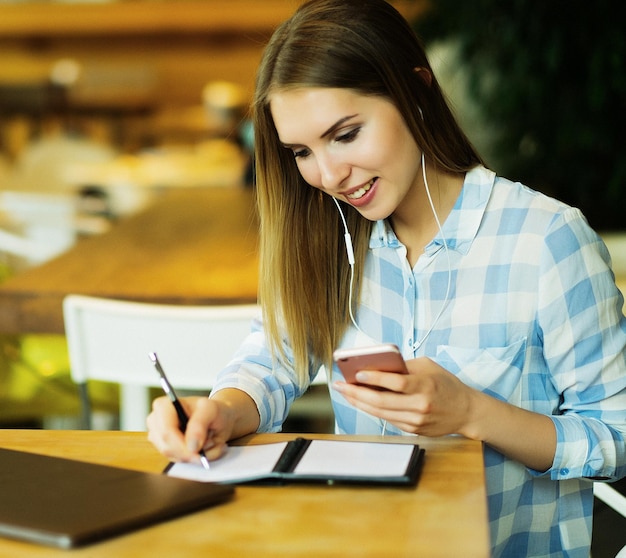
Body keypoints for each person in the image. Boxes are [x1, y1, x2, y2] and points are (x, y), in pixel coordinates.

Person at [147, 1, 626, 556]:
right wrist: (220, 412)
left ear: (416, 91)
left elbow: (617, 436)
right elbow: (273, 360)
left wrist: (473, 412)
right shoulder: (328, 237)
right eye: (302, 151)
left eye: (346, 134)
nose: (327, 176)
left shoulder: (546, 240)